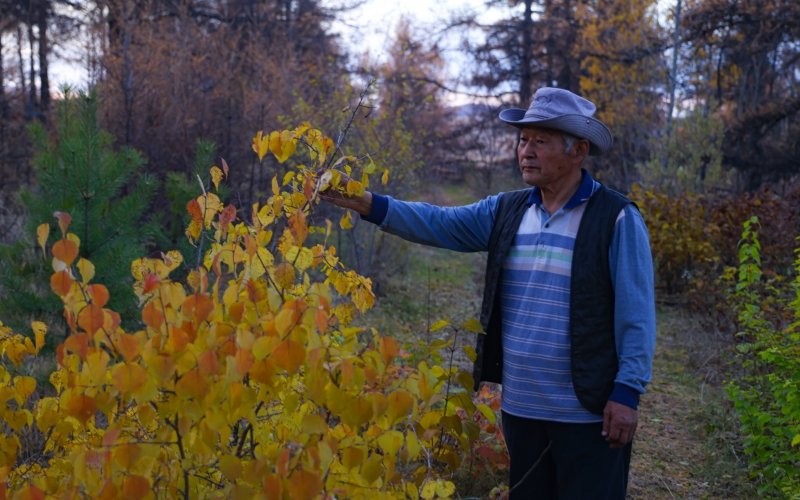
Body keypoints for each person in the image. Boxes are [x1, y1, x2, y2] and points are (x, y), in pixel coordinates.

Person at [321, 87, 656, 499]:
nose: (525, 151)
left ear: (578, 151)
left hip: (588, 416)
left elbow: (636, 315)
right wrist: (367, 203)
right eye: (523, 140)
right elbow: (440, 223)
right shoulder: (507, 211)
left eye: (541, 141)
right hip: (521, 411)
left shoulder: (617, 217)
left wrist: (627, 392)